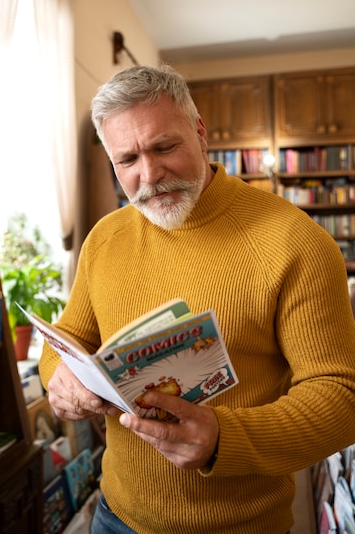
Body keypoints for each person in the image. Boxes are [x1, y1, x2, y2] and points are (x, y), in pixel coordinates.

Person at [39, 64, 355, 534]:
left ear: (200, 133)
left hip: (243, 526)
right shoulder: (104, 238)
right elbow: (64, 340)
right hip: (116, 515)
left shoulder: (296, 240)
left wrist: (224, 439)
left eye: (165, 147)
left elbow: (340, 397)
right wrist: (59, 377)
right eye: (127, 160)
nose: (150, 174)